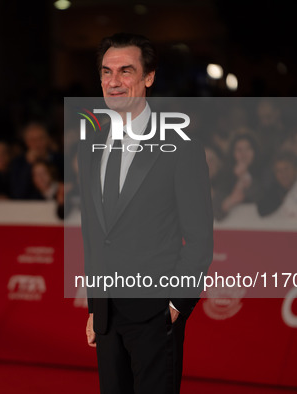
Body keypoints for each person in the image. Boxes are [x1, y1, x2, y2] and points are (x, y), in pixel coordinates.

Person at [78, 33, 213, 394]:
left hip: (156, 313)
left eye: (126, 71)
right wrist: (95, 306)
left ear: (148, 77)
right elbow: (93, 232)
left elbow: (199, 240)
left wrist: (174, 306)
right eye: (107, 71)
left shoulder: (181, 148)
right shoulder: (90, 146)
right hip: (107, 315)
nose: (114, 81)